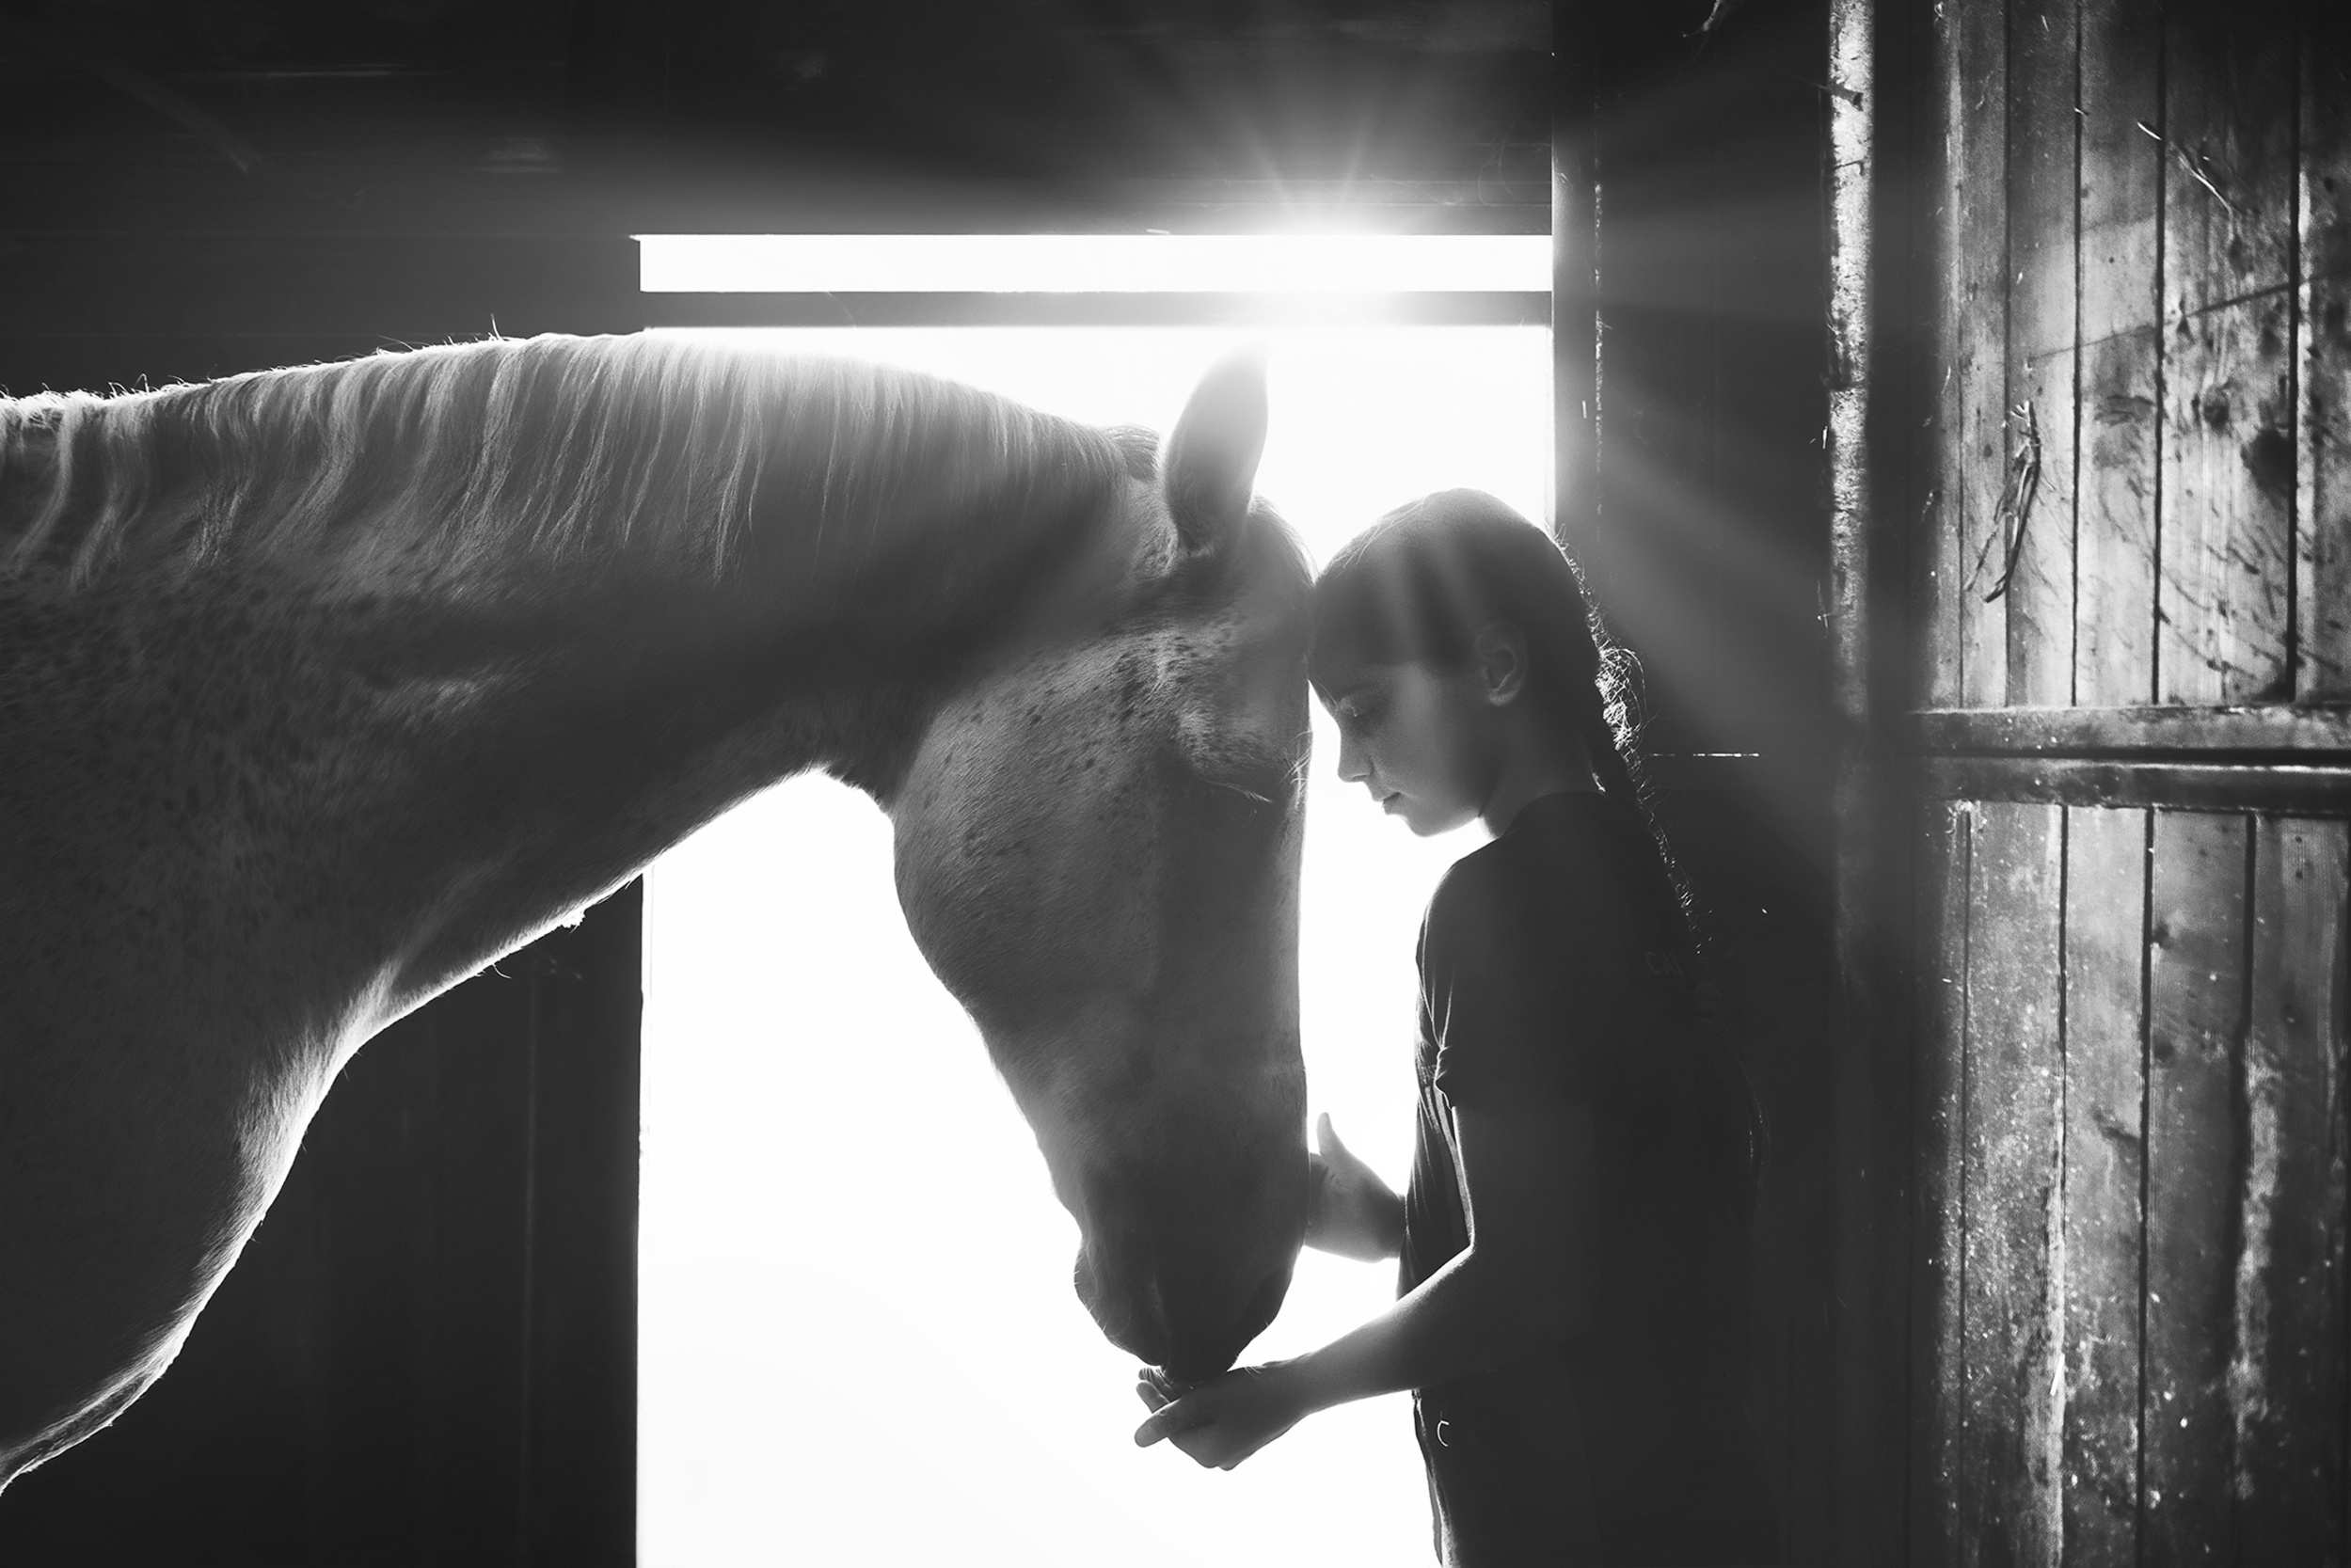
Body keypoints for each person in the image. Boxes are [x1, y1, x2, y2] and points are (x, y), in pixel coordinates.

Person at [1133, 490, 1778, 1566]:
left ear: (1497, 668)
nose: (1348, 764)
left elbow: (1533, 1280)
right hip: (1690, 1499)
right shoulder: (1627, 872)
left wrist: (1282, 1394)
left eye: (1368, 710)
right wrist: (1395, 1219)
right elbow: (1606, 1232)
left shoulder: (1491, 904)